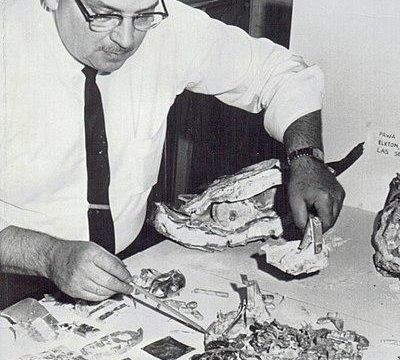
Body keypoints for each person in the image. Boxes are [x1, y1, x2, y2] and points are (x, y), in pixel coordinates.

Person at [0, 0, 345, 301]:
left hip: (127, 266)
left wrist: (306, 159)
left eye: (143, 15)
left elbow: (281, 73)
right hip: (14, 279)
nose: (126, 39)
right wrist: (49, 256)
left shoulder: (169, 29)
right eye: (104, 15)